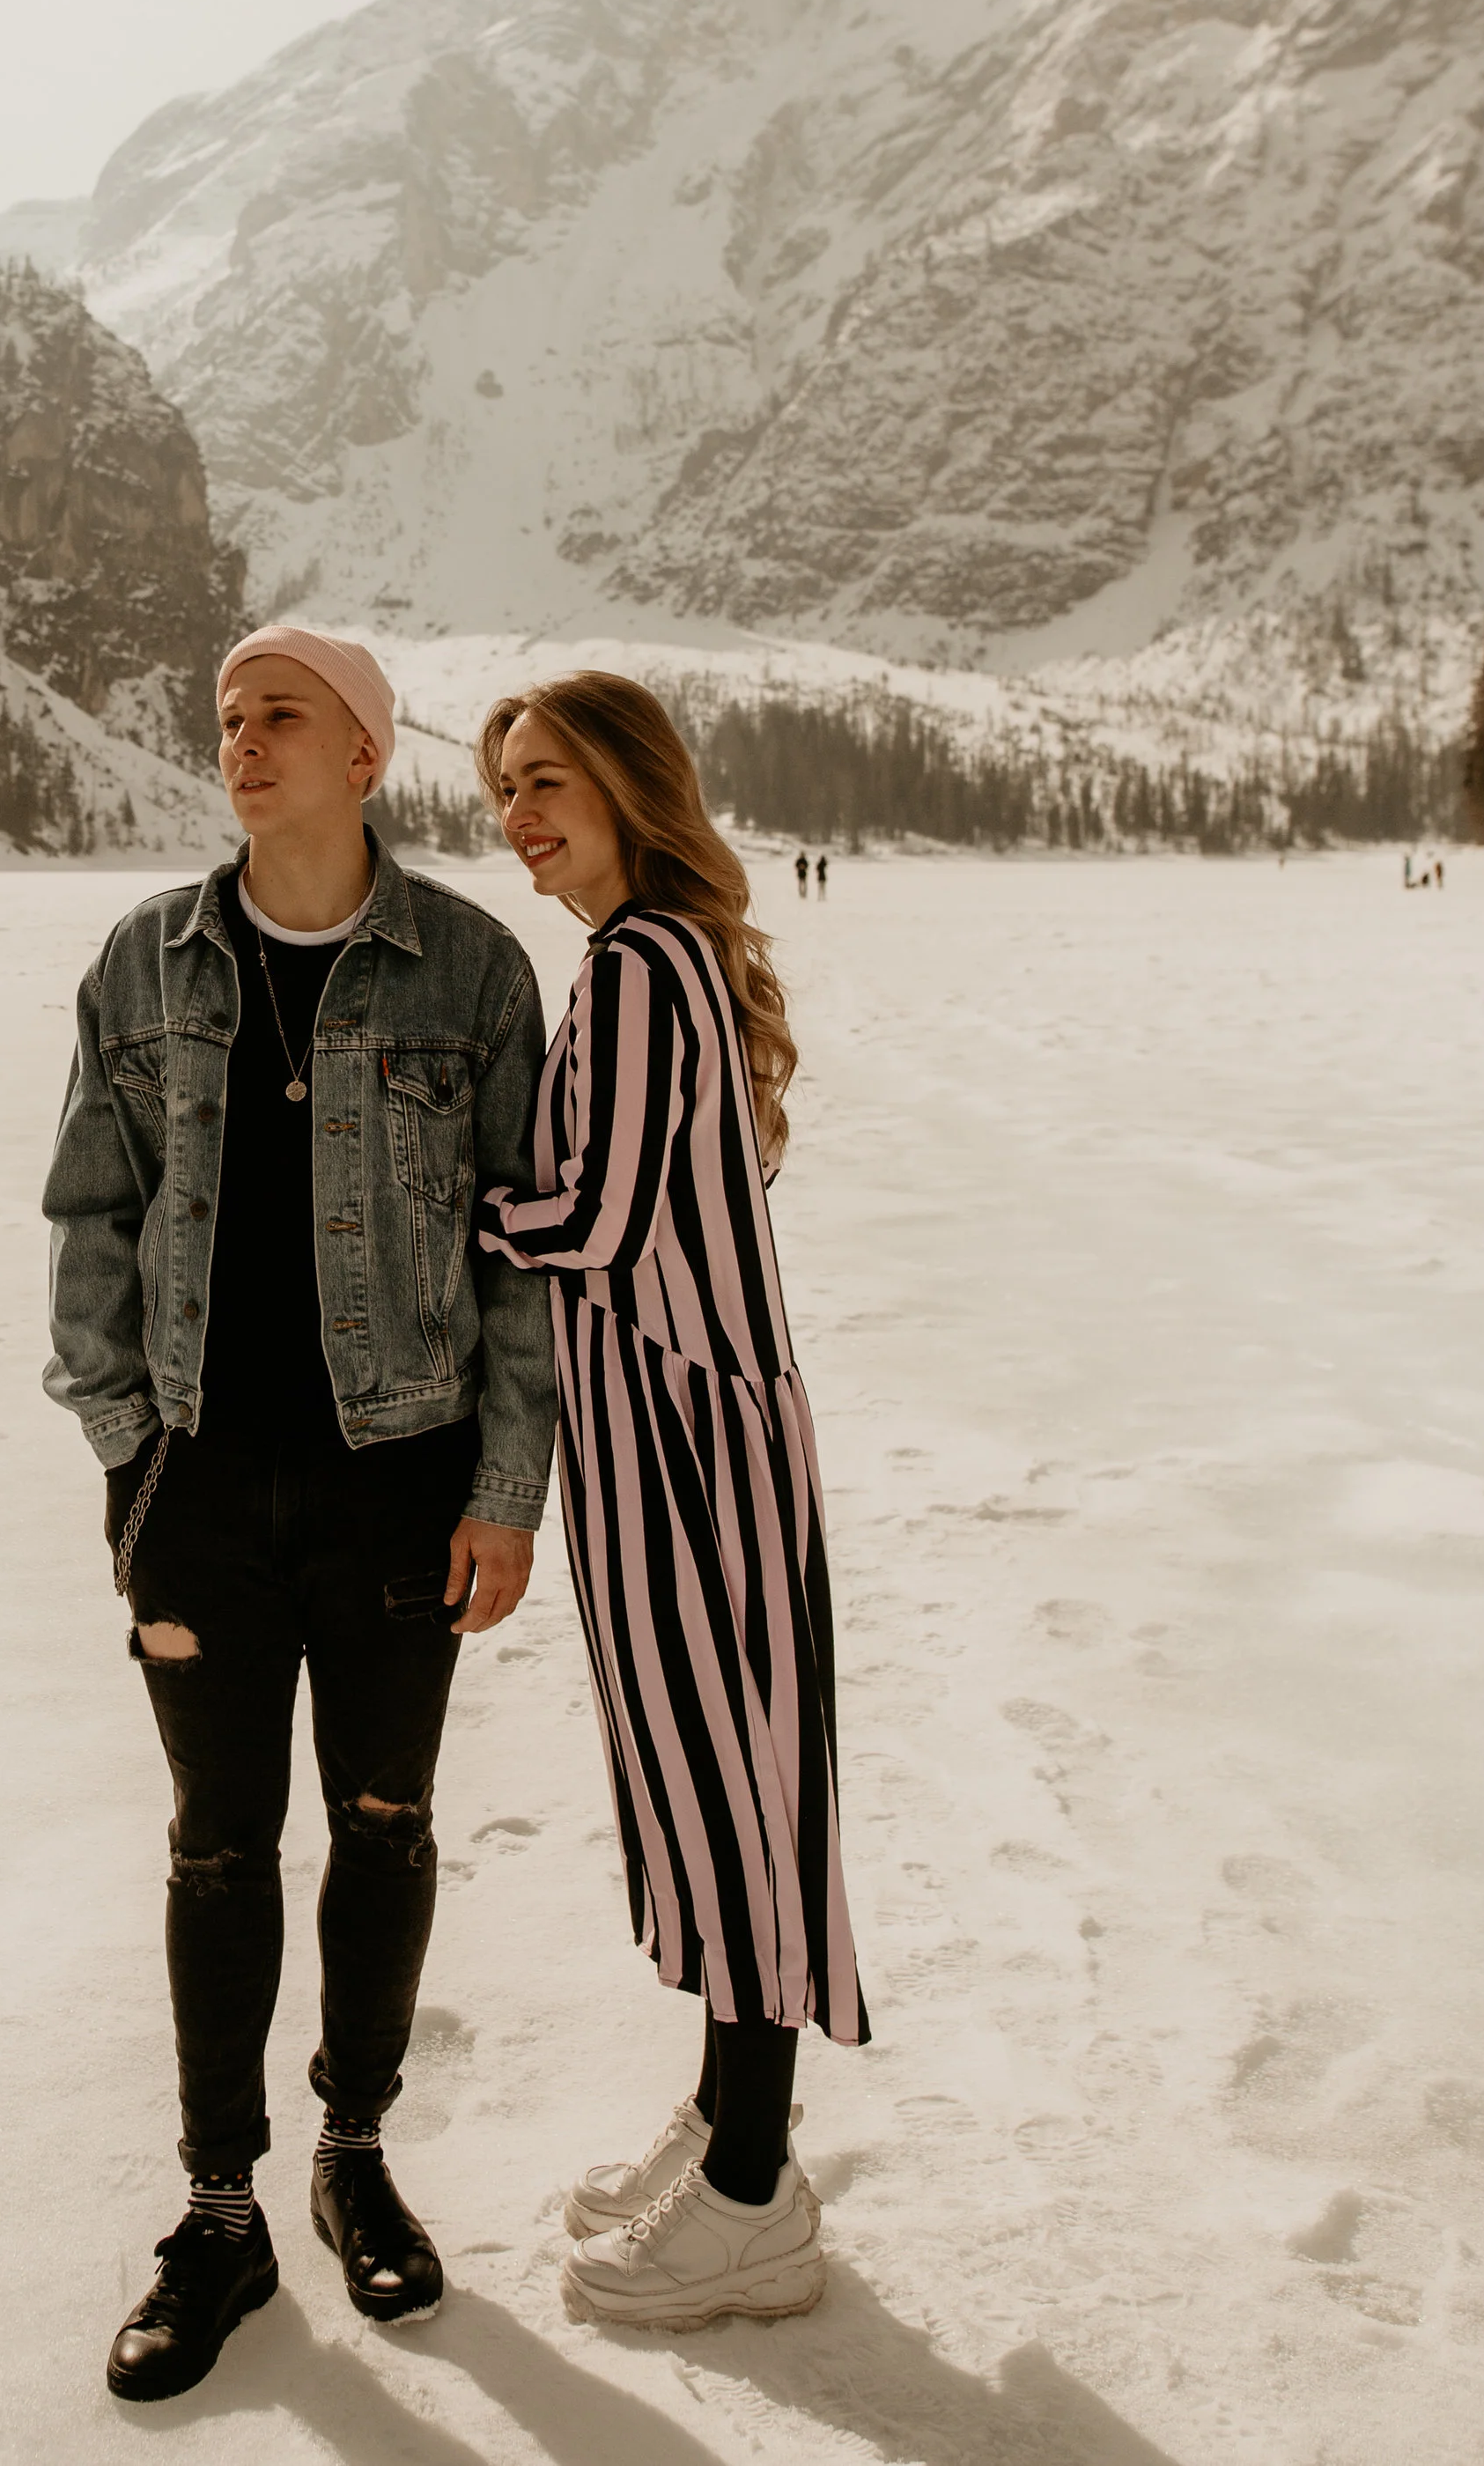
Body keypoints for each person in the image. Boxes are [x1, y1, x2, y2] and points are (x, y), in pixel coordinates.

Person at [43, 624, 556, 2402]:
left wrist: (507, 1490)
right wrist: (127, 1454)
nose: (242, 744)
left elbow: (519, 1252)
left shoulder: (471, 972)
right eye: (226, 721)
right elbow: (90, 1218)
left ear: (363, 753)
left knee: (384, 1821)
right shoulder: (144, 964)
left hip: (401, 1486)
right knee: (217, 1841)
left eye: (281, 717)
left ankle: (352, 2155)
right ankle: (218, 2208)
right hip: (197, 1488)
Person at [475, 672, 867, 2329]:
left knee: (729, 1793)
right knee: (719, 1784)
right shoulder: (652, 955)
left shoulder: (642, 961)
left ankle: (753, 2194)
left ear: (632, 786)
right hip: (681, 1427)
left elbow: (604, 1217)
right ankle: (728, 2126)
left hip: (688, 1438)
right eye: (504, 788)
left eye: (548, 779)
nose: (518, 815)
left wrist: (454, 1205)